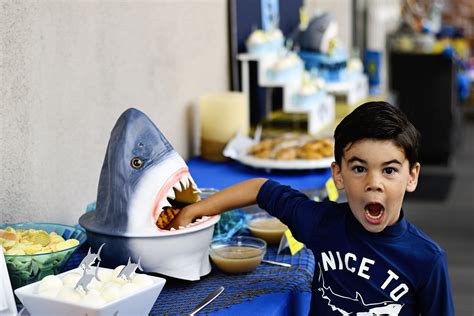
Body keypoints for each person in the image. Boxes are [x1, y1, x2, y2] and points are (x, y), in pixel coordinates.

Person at [170, 101, 454, 315]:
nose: (373, 183)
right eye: (359, 168)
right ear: (338, 175)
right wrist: (194, 210)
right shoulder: (322, 223)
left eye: (389, 170)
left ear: (412, 176)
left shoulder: (428, 261)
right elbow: (260, 188)